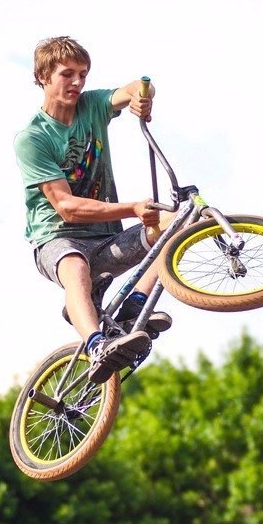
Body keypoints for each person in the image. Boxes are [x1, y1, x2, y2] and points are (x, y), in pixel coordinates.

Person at [13, 36, 172, 384]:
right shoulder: (33, 139)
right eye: (67, 74)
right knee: (74, 263)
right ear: (43, 76)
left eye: (83, 75)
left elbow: (131, 89)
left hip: (105, 240)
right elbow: (67, 207)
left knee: (171, 226)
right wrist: (131, 207)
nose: (77, 83)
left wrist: (143, 97)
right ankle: (97, 343)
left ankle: (134, 305)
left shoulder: (92, 106)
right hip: (56, 239)